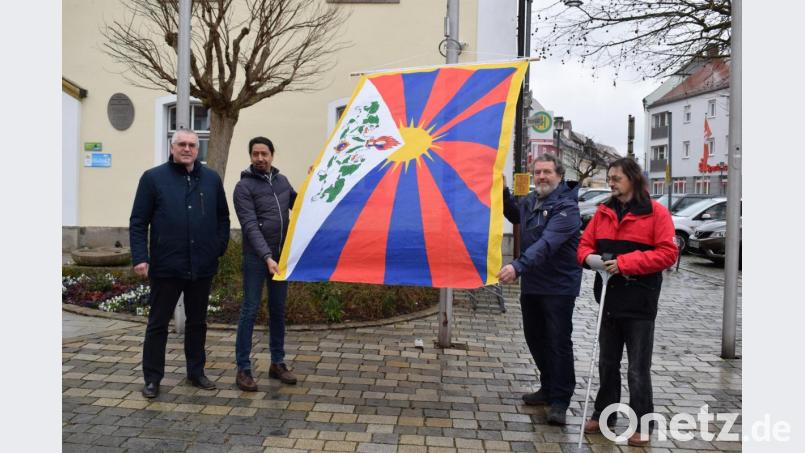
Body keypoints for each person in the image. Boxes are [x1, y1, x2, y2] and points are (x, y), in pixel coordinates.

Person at [577, 157, 677, 446]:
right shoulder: (603, 211)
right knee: (607, 362)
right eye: (609, 178)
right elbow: (584, 244)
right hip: (608, 298)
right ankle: (603, 414)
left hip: (640, 301)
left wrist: (626, 263)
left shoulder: (656, 213)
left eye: (616, 178)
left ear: (632, 179)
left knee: (637, 367)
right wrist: (589, 259)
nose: (611, 182)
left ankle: (642, 422)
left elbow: (668, 254)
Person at [129, 129, 230, 399]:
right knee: (158, 324)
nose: (187, 149)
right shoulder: (153, 178)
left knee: (198, 322)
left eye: (192, 145)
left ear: (198, 149)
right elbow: (138, 221)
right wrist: (140, 257)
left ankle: (196, 372)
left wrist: (217, 248)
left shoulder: (210, 179)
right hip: (166, 264)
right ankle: (152, 378)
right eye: (181, 144)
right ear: (172, 148)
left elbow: (223, 217)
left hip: (201, 264)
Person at [497, 153, 582, 425]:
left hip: (558, 287)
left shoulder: (567, 207)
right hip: (533, 284)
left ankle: (560, 400)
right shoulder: (532, 200)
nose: (542, 177)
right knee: (535, 339)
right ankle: (547, 387)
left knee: (558, 342)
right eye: (538, 173)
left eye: (547, 172)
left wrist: (517, 266)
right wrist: (502, 190)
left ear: (559, 175)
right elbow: (515, 214)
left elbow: (547, 243)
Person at [233, 136, 298, 390]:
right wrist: (266, 257)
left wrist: (316, 182)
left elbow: (299, 204)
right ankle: (243, 368)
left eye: (264, 153)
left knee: (278, 310)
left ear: (272, 155)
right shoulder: (243, 187)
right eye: (255, 154)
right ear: (250, 156)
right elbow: (249, 226)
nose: (260, 158)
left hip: (281, 257)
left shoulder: (282, 181)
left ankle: (277, 363)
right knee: (249, 310)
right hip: (256, 258)